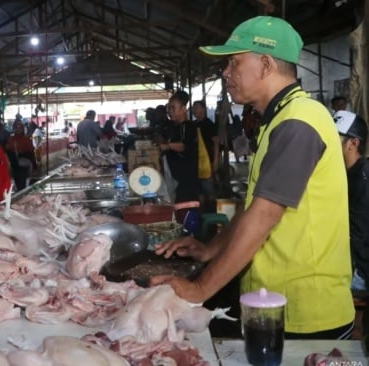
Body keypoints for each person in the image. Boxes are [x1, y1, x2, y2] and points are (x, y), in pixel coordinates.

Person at [153, 16, 355, 339]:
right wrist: (209, 250)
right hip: (273, 306)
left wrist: (199, 288)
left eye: (234, 62)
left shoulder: (299, 121)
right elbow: (253, 209)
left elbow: (264, 217)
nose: (226, 72)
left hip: (305, 314)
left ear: (265, 65)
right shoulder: (278, 121)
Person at [334, 110, 369, 291]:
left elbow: (358, 232)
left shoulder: (363, 179)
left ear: (353, 144)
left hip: (360, 268)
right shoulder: (343, 172)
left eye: (335, 139)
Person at [159, 91, 199, 203]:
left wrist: (168, 146)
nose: (170, 111)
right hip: (175, 178)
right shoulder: (175, 126)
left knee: (186, 205)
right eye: (169, 108)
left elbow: (184, 146)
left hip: (186, 178)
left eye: (173, 108)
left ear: (183, 109)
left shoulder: (188, 126)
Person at [191, 100, 220, 208]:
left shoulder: (209, 124)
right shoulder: (193, 125)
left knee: (209, 190)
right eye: (193, 108)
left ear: (204, 109)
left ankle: (213, 210)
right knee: (198, 190)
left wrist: (216, 160)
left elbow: (216, 143)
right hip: (196, 162)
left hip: (207, 161)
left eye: (197, 107)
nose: (194, 110)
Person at [5, 120, 38, 191]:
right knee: (22, 184)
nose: (18, 129)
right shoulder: (26, 140)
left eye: (19, 127)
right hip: (21, 165)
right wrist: (35, 166)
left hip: (17, 166)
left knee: (20, 185)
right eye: (17, 127)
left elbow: (31, 154)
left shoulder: (11, 140)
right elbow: (31, 154)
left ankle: (21, 195)